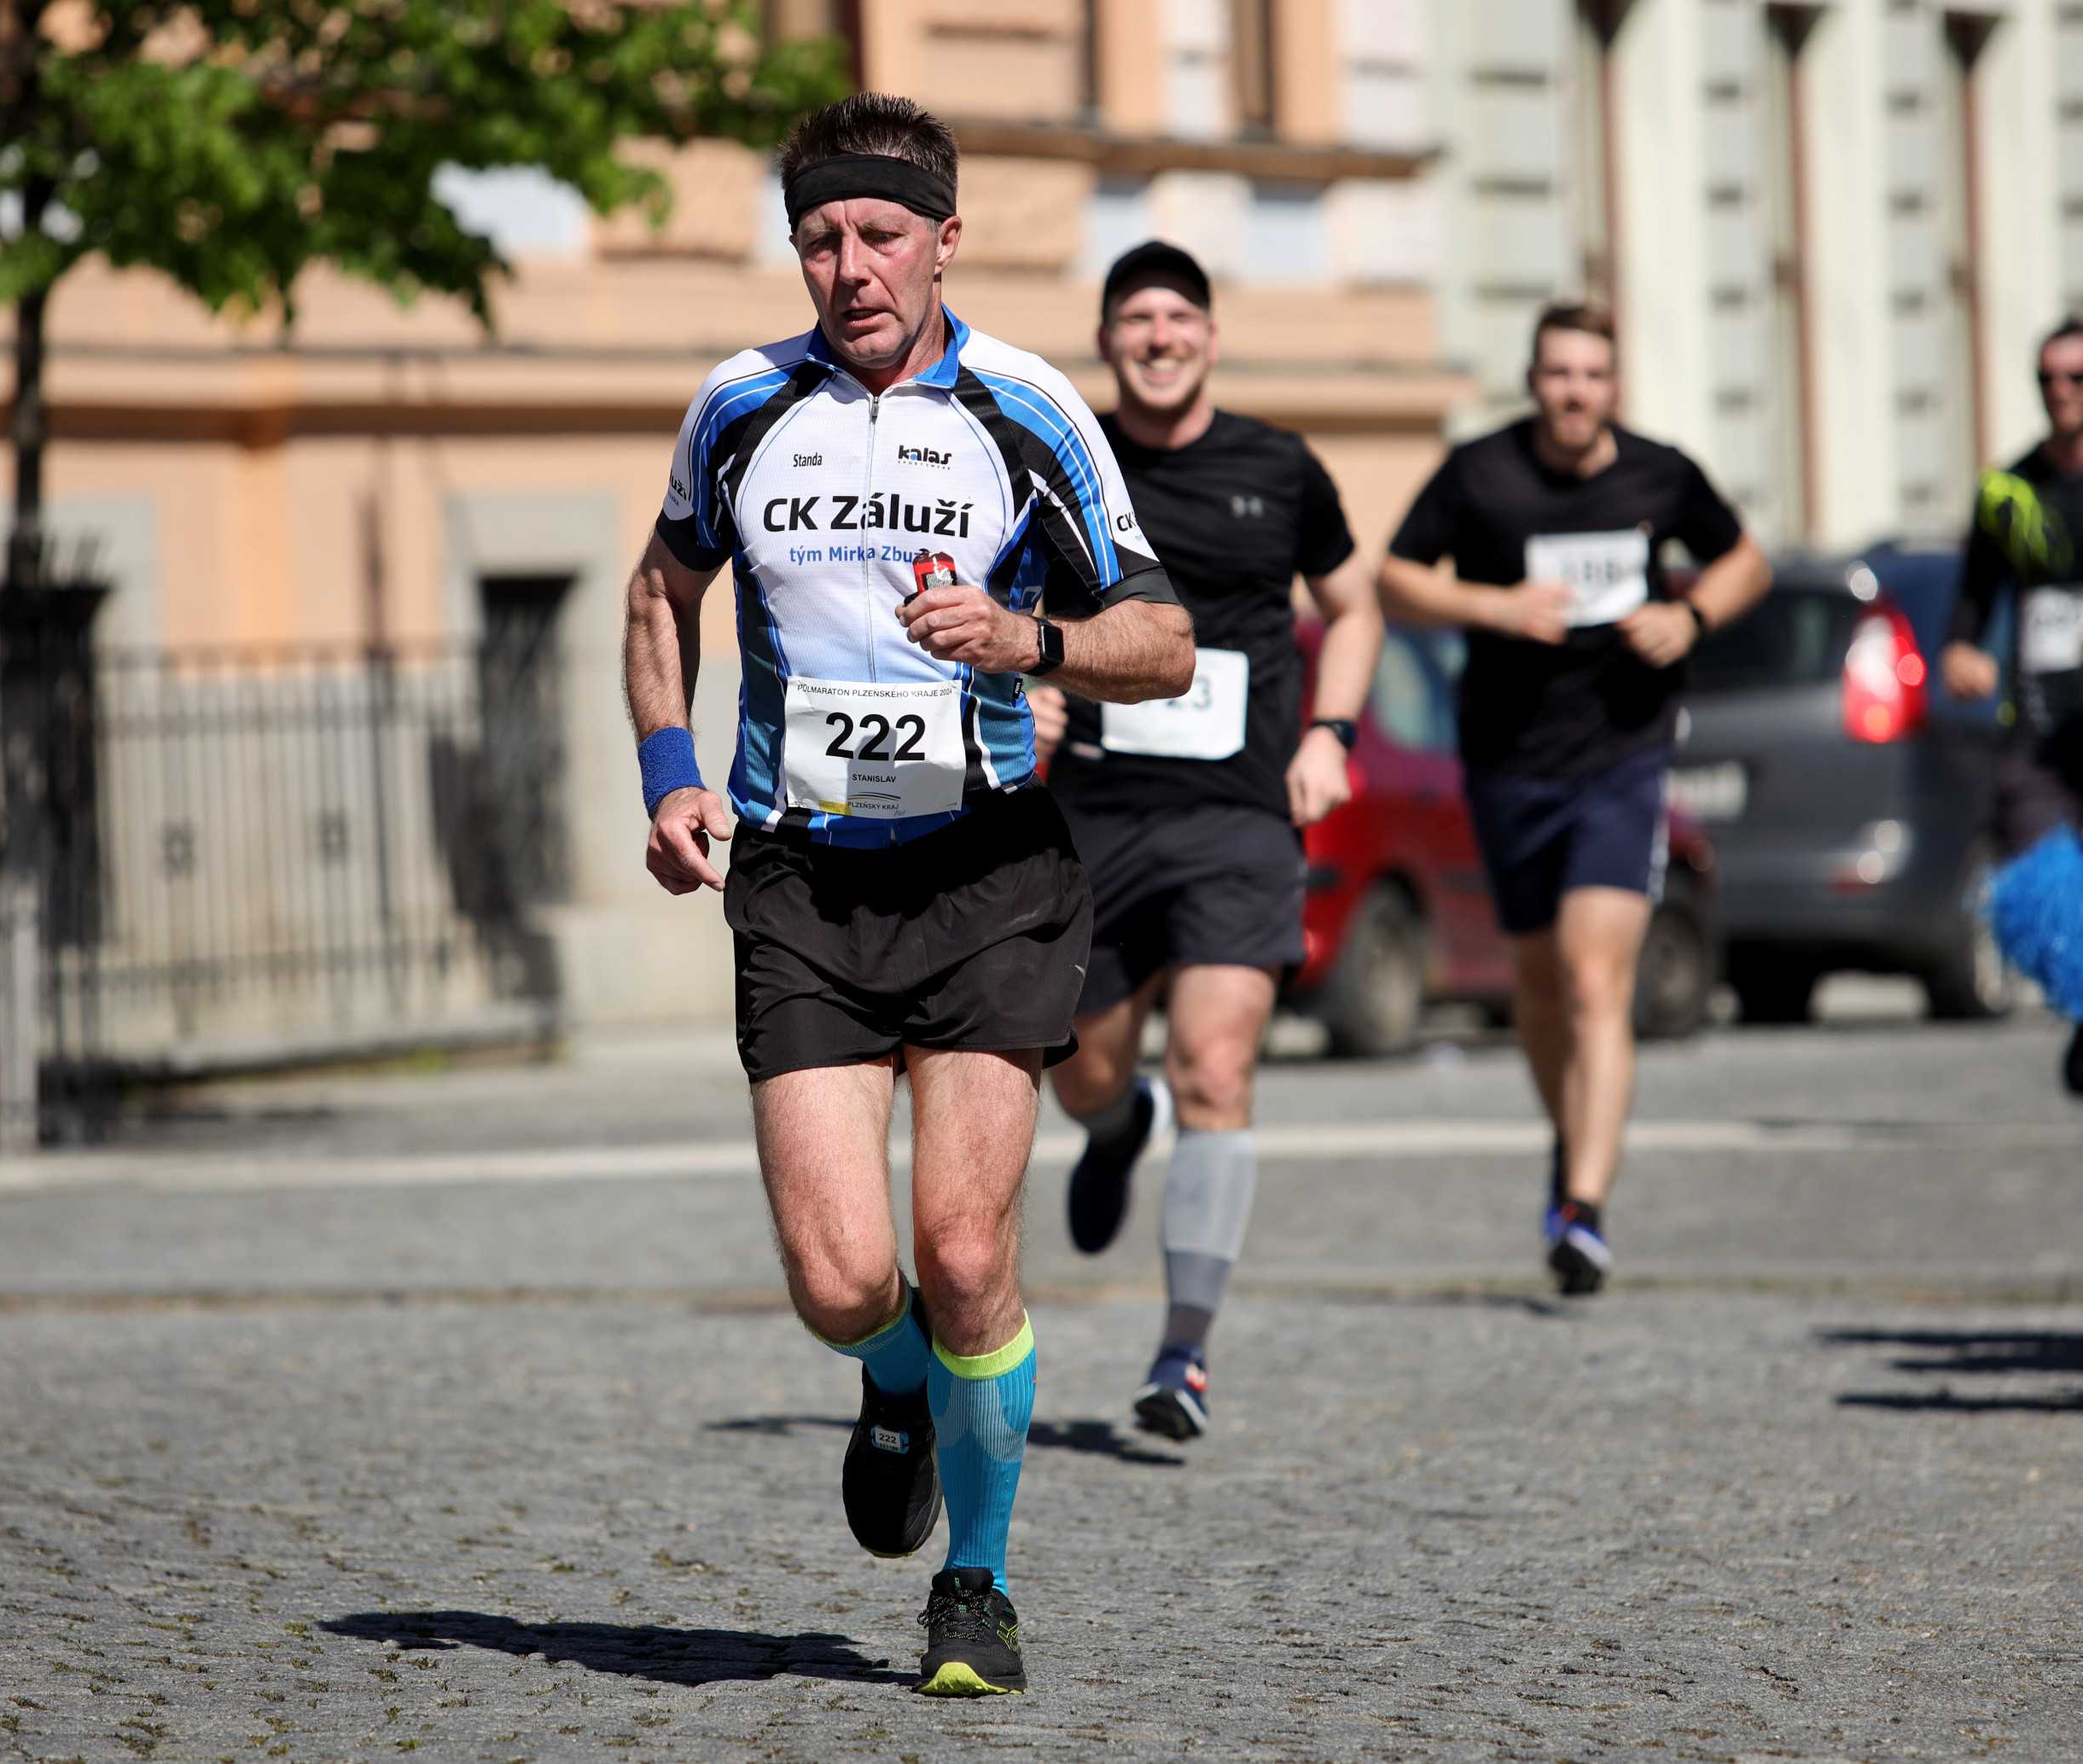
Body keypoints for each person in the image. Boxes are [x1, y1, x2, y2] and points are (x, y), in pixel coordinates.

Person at [622, 95, 1195, 1695]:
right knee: (838, 1278)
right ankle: (893, 1383)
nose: (850, 267)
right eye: (819, 238)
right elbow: (662, 591)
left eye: (880, 234)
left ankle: (978, 1584)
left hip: (988, 871)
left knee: (961, 1246)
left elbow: (1165, 640)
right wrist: (669, 767)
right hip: (801, 876)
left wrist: (1032, 641)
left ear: (946, 240)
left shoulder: (1027, 407)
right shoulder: (741, 405)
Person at [1022, 242, 1384, 1441]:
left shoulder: (1279, 467)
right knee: (1082, 1068)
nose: (1159, 337)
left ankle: (1184, 1351)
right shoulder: (1067, 459)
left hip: (1238, 815)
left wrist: (1331, 731)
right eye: (1137, 319)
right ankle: (1113, 1127)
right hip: (1096, 812)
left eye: (1179, 317)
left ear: (1212, 338)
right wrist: (1027, 691)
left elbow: (1356, 606)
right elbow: (1001, 602)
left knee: (1216, 1070)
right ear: (1107, 341)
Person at [1376, 304, 1770, 1295]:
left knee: (1596, 984)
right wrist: (1492, 605)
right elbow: (1393, 578)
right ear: (1533, 380)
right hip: (1508, 762)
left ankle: (1583, 1210)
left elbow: (1747, 562)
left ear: (1614, 386)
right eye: (1558, 374)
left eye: (1592, 375)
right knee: (1539, 986)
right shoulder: (1481, 473)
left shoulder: (1659, 473)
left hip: (1621, 759)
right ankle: (1573, 1140)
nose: (1574, 392)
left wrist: (1689, 617)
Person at [1944, 318, 2083, 1137]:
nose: (2061, 392)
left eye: (2076, 377)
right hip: (2036, 723)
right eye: (2048, 379)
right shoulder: (2007, 490)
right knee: (2047, 881)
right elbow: (1974, 593)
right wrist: (1962, 648)